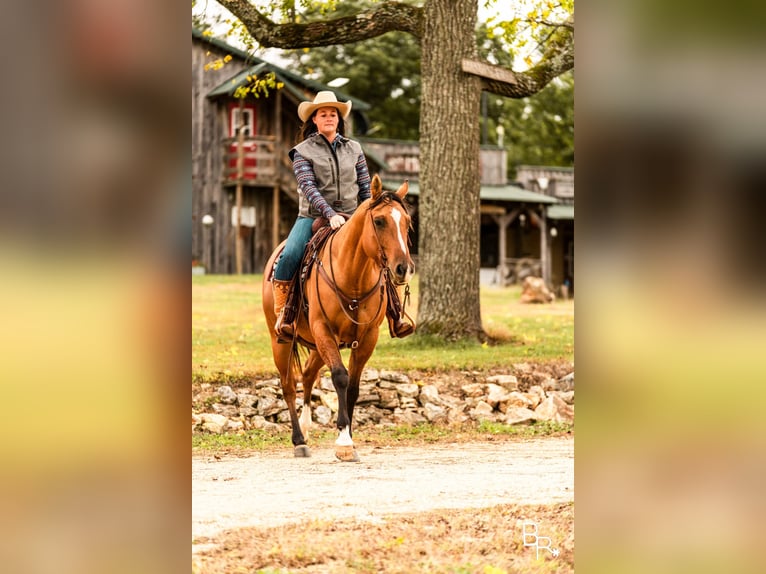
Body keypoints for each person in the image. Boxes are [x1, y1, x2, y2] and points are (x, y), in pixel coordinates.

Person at [272, 91, 413, 339]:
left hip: (352, 215)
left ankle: (396, 314)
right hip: (312, 215)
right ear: (314, 119)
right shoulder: (302, 151)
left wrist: (369, 211)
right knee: (290, 254)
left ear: (339, 119)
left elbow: (364, 185)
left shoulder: (354, 148)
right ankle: (285, 313)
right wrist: (329, 214)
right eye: (323, 114)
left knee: (381, 254)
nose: (328, 118)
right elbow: (308, 187)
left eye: (333, 114)